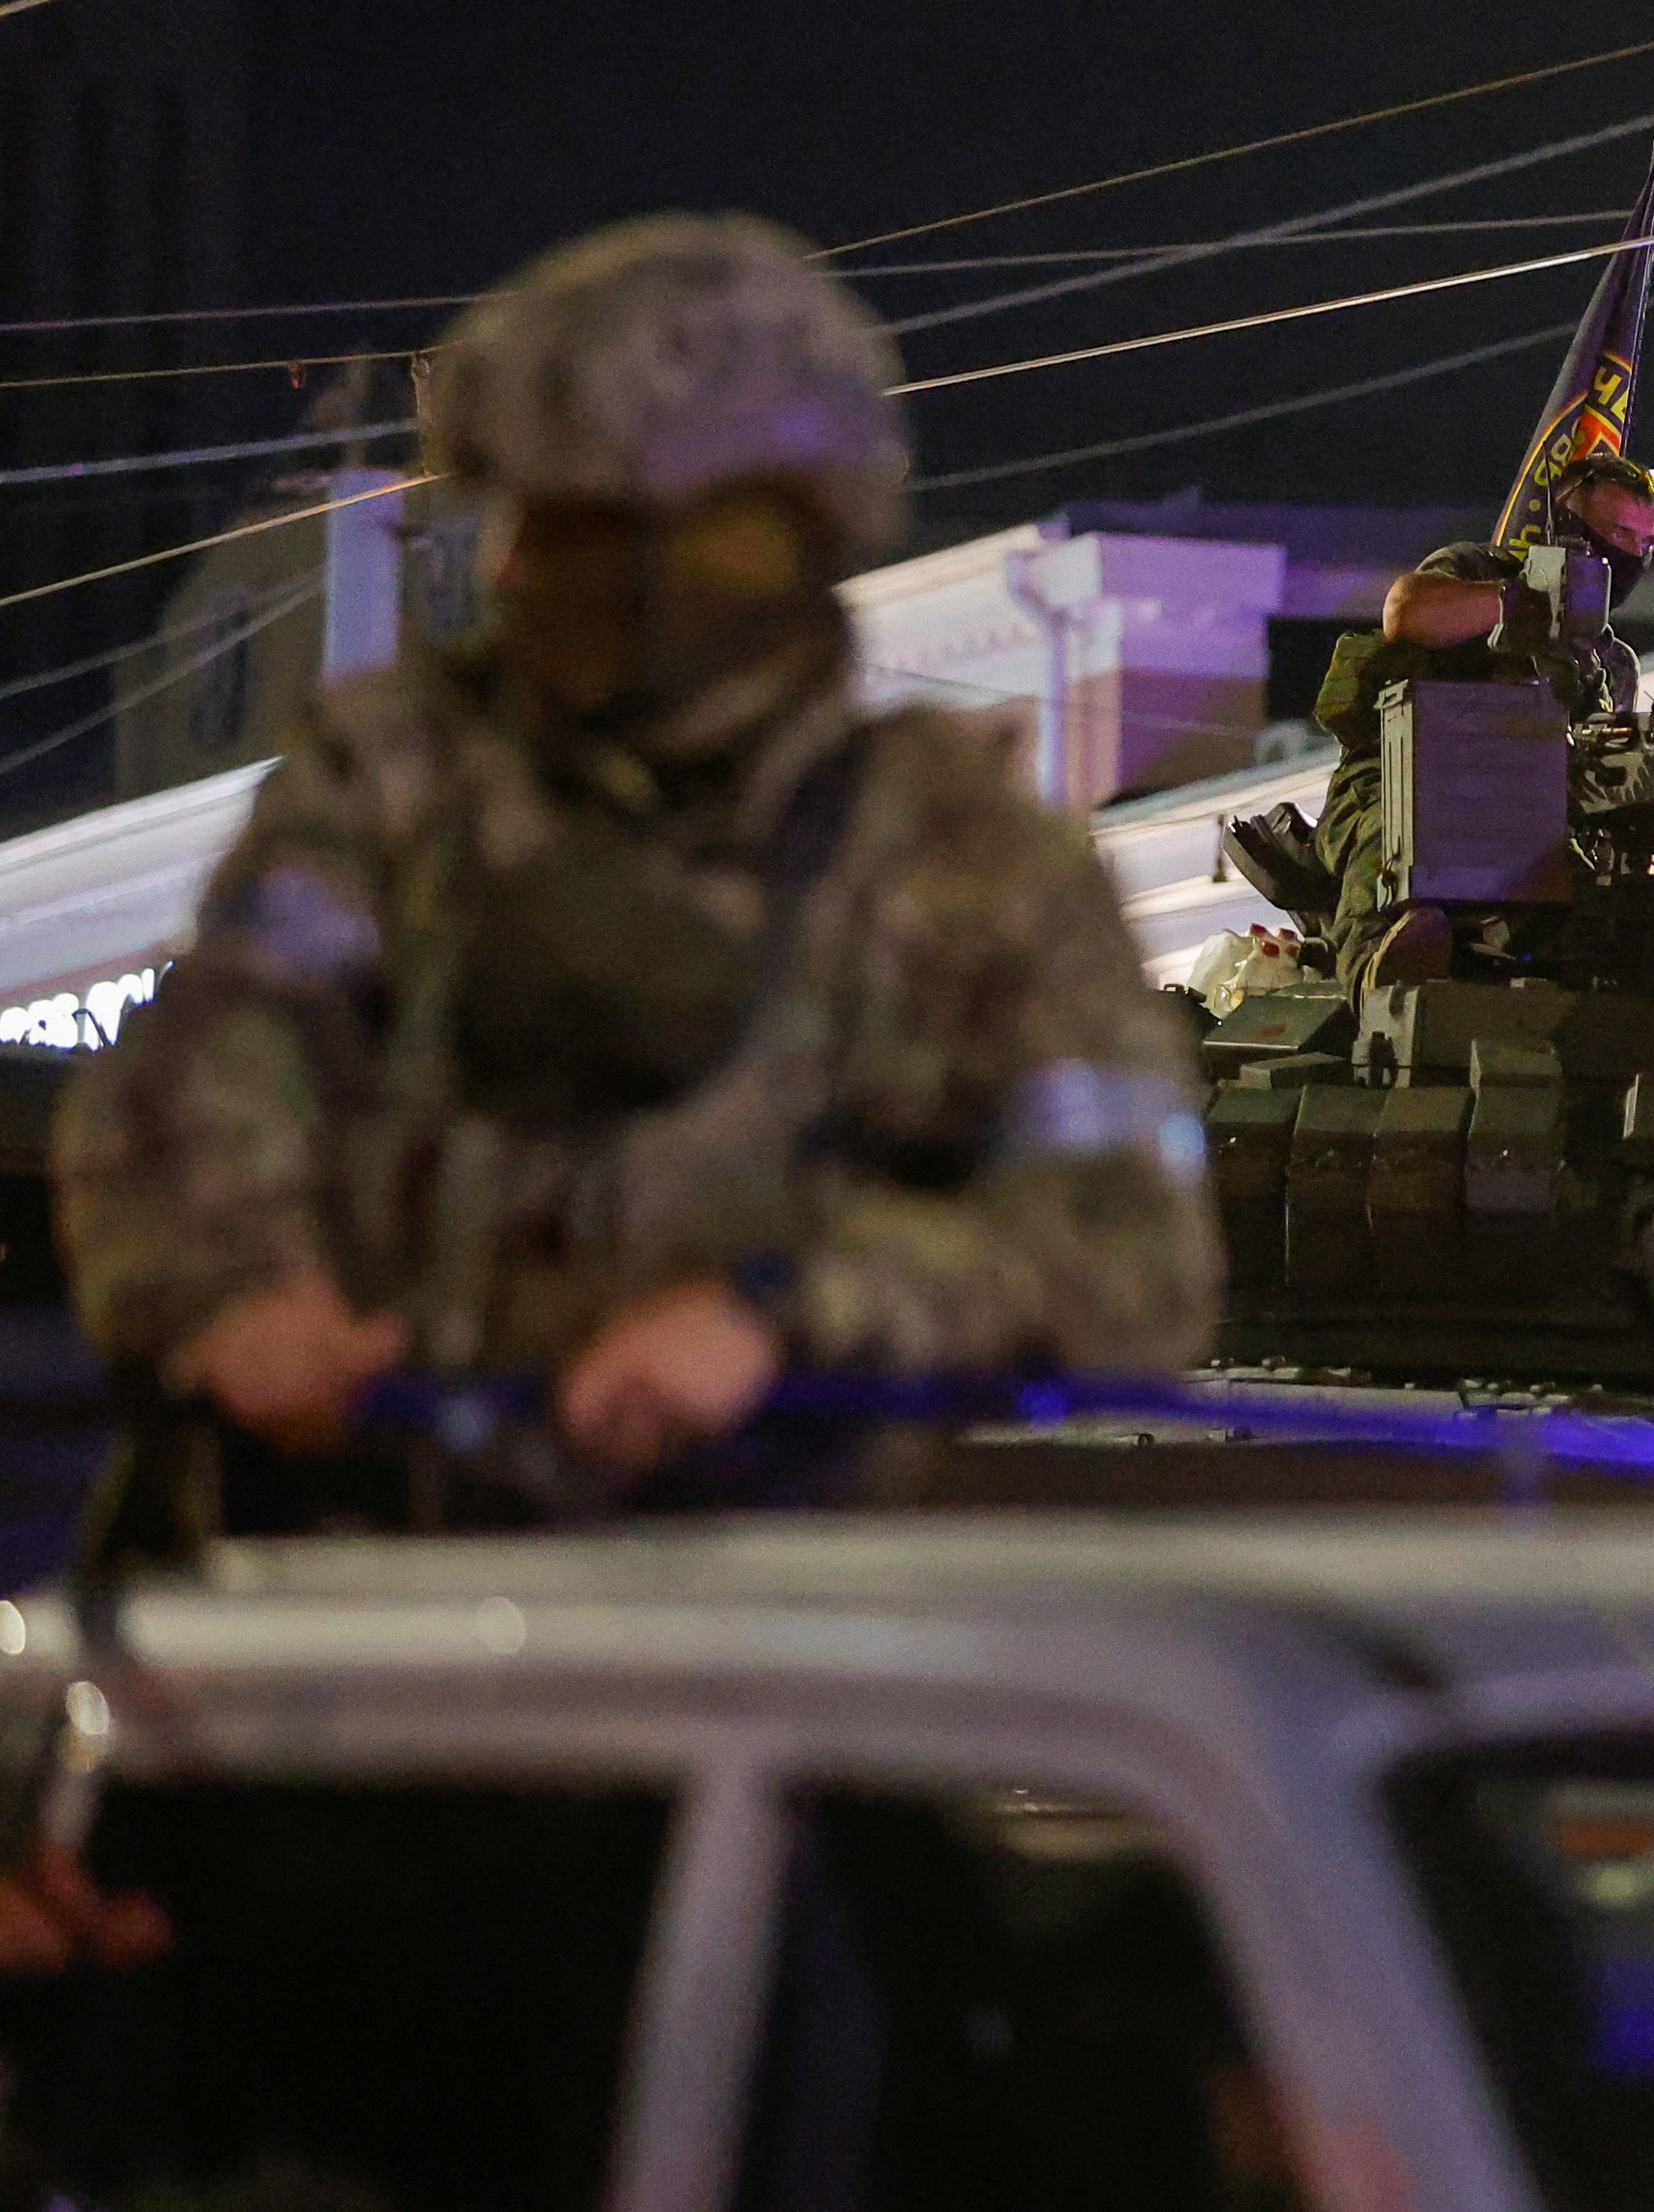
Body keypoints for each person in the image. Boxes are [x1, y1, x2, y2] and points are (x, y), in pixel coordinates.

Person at [49, 213, 1222, 1514]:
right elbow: (202, 1064)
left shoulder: (966, 848)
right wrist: (242, 1290)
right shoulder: (395, 778)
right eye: (577, 531)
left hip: (781, 1608)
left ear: (807, 533)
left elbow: (1129, 1247)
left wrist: (786, 1312)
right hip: (361, 1564)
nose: (638, 588)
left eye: (705, 536)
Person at [1310, 453, 1654, 994]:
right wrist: (1521, 603)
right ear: (1565, 525)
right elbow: (1408, 614)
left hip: (1532, 820)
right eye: (1618, 533)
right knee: (1401, 831)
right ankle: (1377, 978)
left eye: (1646, 543)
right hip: (1407, 782)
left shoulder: (1610, 663)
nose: (1632, 554)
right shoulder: (1479, 573)